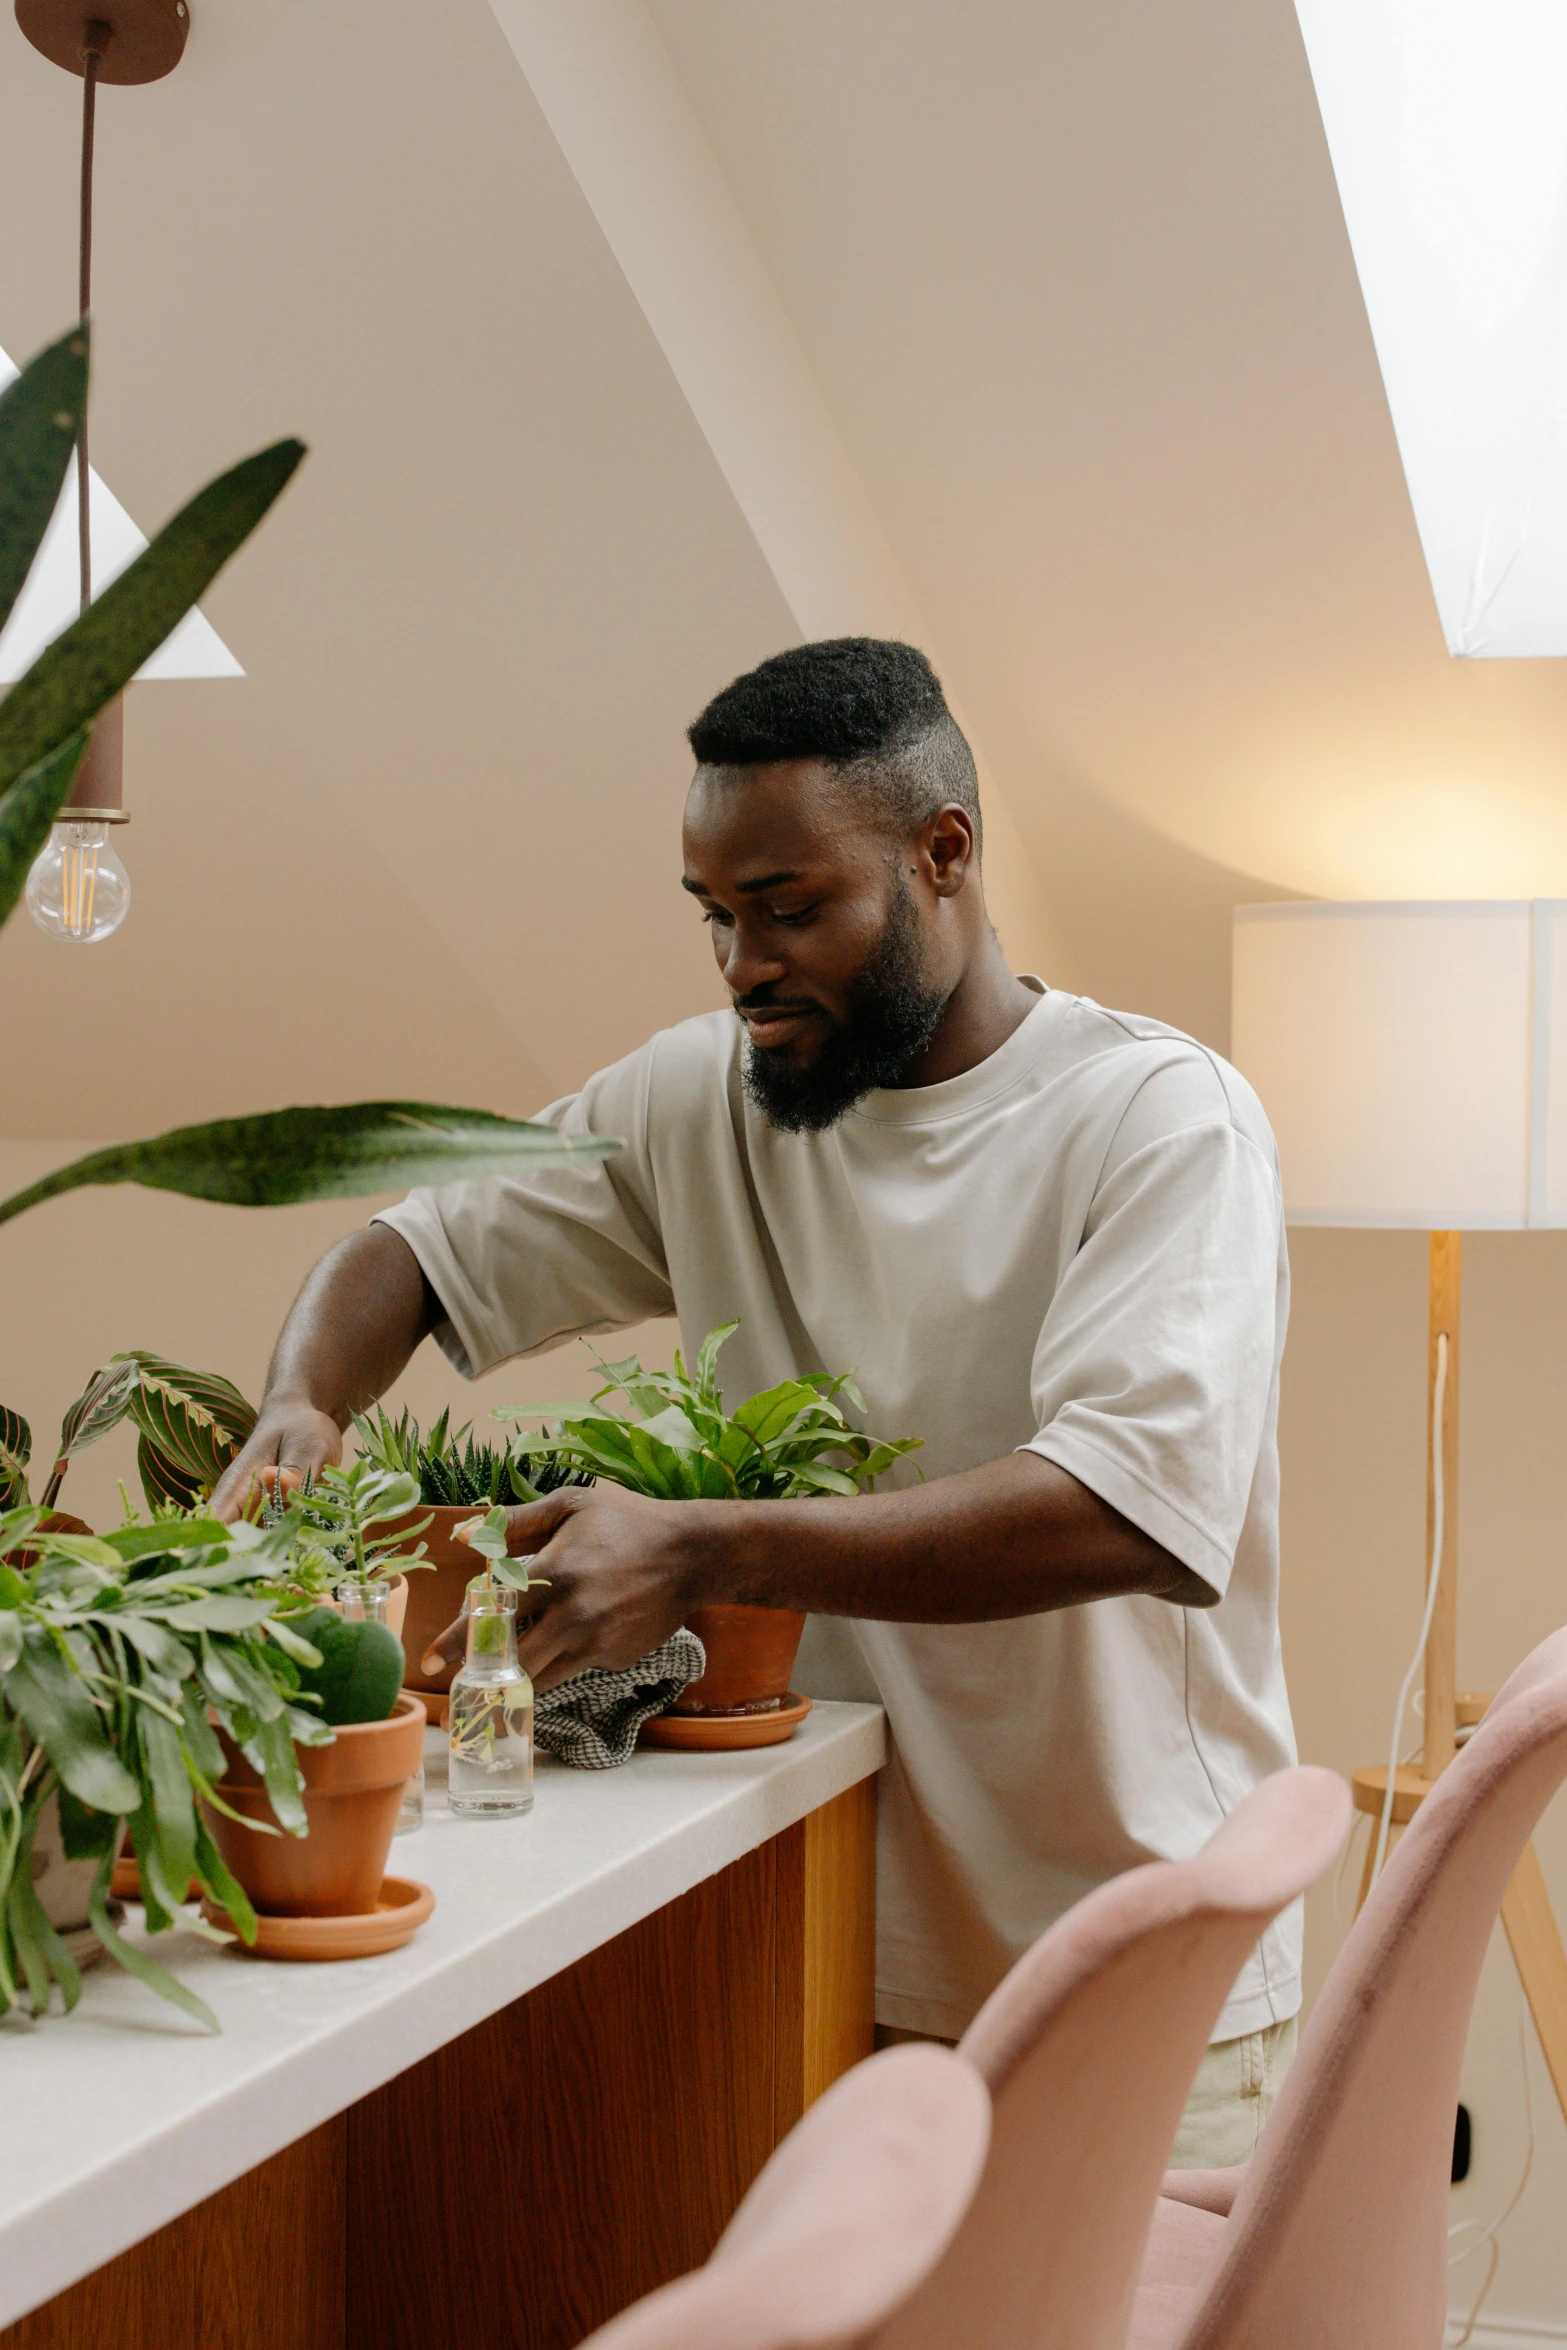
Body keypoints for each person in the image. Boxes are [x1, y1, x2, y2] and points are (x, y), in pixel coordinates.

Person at [214, 637, 1297, 2162]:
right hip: (820, 1955)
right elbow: (409, 1246)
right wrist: (299, 1406)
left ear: (944, 854)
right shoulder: (700, 1095)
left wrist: (708, 1543)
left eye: (790, 909)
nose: (741, 967)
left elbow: (1128, 1509)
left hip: (1129, 1977)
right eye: (715, 918)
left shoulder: (1155, 1120)